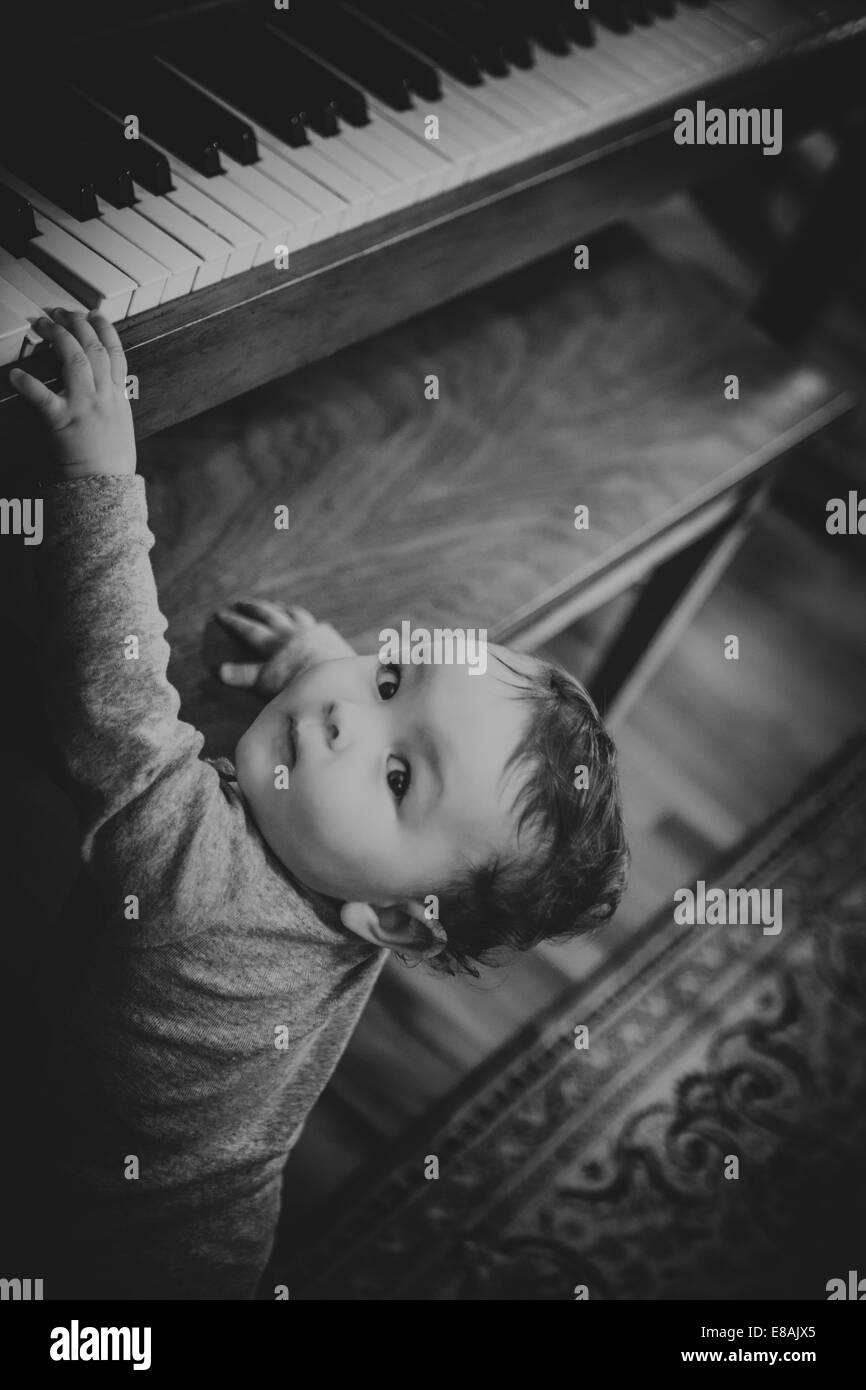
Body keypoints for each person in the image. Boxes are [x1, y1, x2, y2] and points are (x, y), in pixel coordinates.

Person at [5, 308, 628, 1298]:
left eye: (396, 777)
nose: (344, 715)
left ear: (391, 921)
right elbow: (365, 725)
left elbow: (111, 703)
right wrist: (325, 665)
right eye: (390, 680)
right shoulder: (379, 884)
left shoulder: (204, 885)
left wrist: (96, 472)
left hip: (104, 1247)